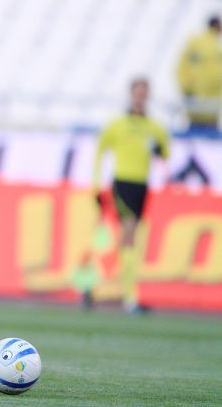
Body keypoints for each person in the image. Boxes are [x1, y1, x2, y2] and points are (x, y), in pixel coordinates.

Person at [92, 78, 170, 315]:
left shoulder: (154, 127)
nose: (140, 97)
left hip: (142, 185)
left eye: (144, 93)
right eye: (138, 92)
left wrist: (158, 151)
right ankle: (129, 297)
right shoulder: (117, 124)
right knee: (129, 232)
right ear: (131, 94)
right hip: (122, 184)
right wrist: (96, 185)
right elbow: (99, 152)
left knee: (128, 238)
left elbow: (165, 154)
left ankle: (94, 286)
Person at [173, 16, 222, 185]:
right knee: (202, 142)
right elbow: (183, 67)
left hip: (202, 102)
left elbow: (182, 68)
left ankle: (196, 171)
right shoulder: (203, 44)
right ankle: (198, 174)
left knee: (198, 142)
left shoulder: (198, 43)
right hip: (207, 104)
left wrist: (187, 90)